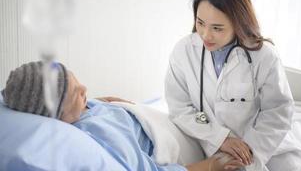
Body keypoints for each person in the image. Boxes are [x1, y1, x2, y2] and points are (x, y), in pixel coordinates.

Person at [1, 61, 245, 171]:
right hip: (174, 140)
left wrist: (97, 102)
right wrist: (209, 166)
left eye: (78, 82)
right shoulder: (100, 136)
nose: (85, 89)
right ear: (57, 117)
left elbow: (85, 105)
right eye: (76, 93)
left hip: (150, 114)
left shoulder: (83, 111)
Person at [165, 0, 301, 171]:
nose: (205, 35)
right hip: (211, 144)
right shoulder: (184, 50)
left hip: (266, 147)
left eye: (217, 28)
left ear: (238, 23)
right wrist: (220, 138)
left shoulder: (264, 56)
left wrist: (248, 152)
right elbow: (180, 107)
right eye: (200, 23)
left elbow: (277, 111)